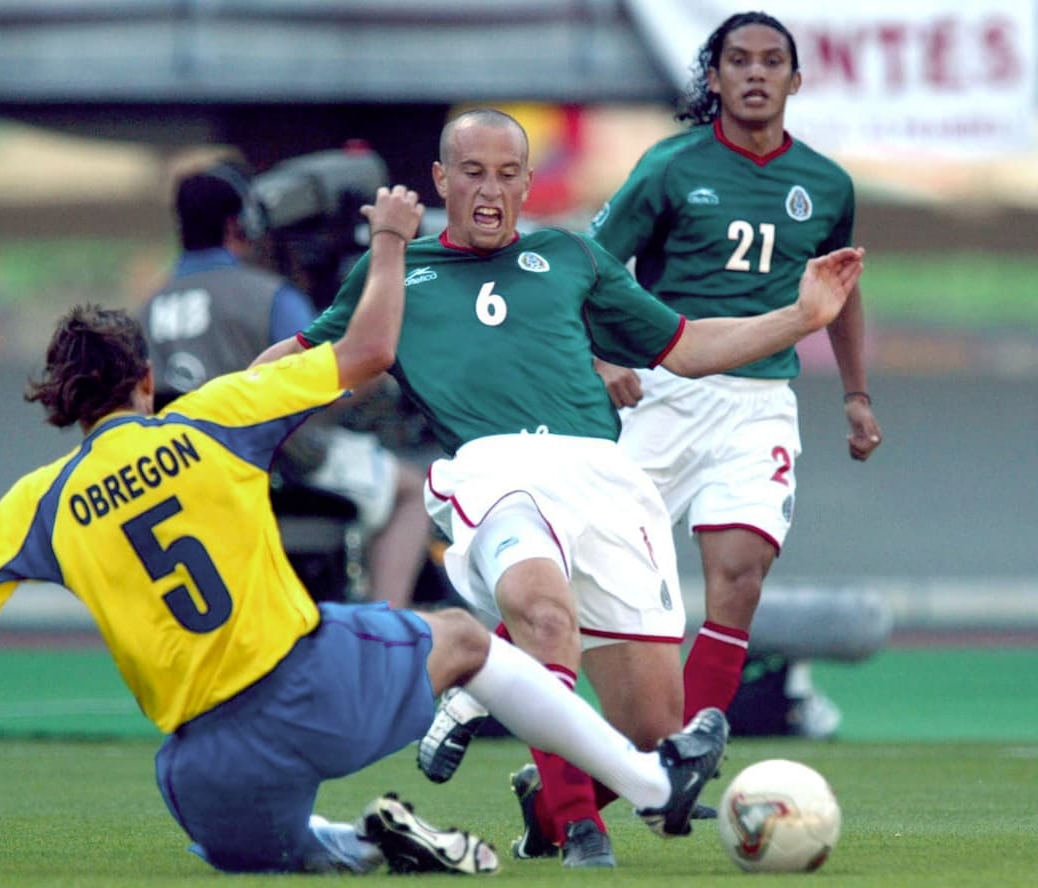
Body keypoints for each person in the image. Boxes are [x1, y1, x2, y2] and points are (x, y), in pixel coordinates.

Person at [0, 185, 731, 876]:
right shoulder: (210, 418)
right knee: (467, 639)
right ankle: (653, 787)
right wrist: (395, 243)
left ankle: (359, 844)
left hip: (201, 765)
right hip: (314, 687)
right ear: (145, 382)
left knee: (273, 854)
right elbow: (365, 352)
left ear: (61, 405)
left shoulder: (35, 501)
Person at [253, 108, 864, 867]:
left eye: (508, 174)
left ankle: (509, 745)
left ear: (527, 185)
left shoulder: (571, 257)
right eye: (472, 172)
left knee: (649, 727)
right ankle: (582, 831)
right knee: (545, 614)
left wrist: (802, 316)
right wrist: (211, 415)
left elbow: (690, 347)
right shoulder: (401, 270)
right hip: (494, 471)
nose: (490, 189)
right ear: (443, 180)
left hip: (607, 480)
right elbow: (311, 353)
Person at [588, 10, 883, 744]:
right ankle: (576, 759)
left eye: (771, 61)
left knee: (740, 578)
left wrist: (855, 395)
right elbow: (589, 267)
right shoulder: (669, 166)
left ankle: (678, 758)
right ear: (715, 78)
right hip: (665, 392)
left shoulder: (825, 183)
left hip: (760, 404)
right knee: (597, 576)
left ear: (795, 79)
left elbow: (839, 290)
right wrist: (602, 357)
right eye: (740, 61)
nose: (756, 73)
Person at [141, 161, 432, 608]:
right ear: (239, 224)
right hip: (288, 466)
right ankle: (389, 630)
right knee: (411, 492)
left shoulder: (149, 308)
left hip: (184, 479)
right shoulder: (267, 294)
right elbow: (321, 386)